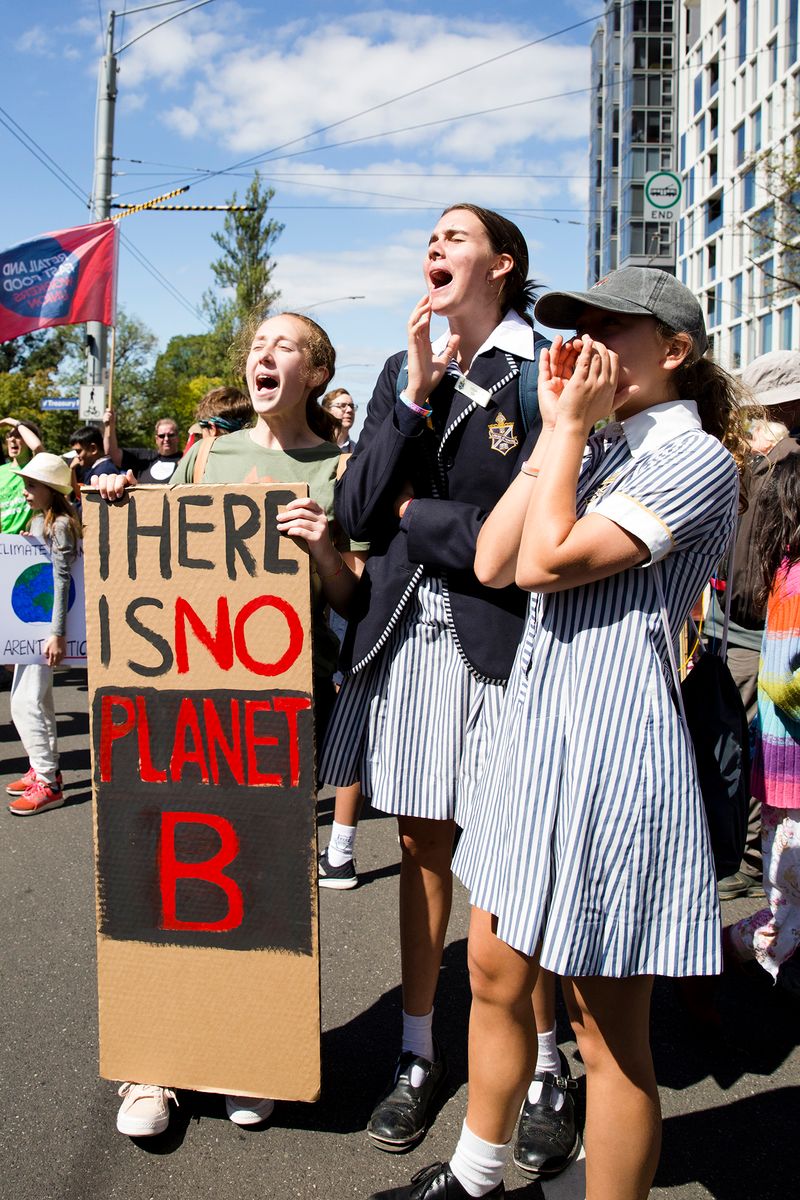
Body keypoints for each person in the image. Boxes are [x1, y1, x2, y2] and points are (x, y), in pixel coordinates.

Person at [367, 267, 747, 1200]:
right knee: (494, 972)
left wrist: (568, 429)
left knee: (605, 1028)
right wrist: (555, 441)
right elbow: (493, 557)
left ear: (676, 351)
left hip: (614, 746)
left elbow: (545, 564)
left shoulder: (695, 459)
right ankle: (476, 1174)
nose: (587, 349)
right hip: (532, 731)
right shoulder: (598, 445)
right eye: (577, 330)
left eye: (614, 331)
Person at [320, 205, 574, 1165]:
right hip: (408, 640)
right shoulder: (401, 369)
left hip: (506, 635)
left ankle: (548, 1059)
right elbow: (353, 511)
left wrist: (419, 515)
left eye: (457, 236)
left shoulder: (546, 369)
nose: (436, 247)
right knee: (425, 844)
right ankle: (420, 1053)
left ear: (501, 265)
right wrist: (418, 393)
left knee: (516, 862)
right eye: (430, 236)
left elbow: (523, 544)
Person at [93, 310, 368, 1138]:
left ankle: (250, 1055)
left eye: (284, 346)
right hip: (178, 708)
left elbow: (355, 596)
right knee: (162, 879)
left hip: (275, 713)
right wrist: (119, 495)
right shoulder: (208, 455)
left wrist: (325, 547)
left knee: (256, 885)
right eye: (258, 347)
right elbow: (151, 543)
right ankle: (155, 1066)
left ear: (316, 372)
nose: (264, 356)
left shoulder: (343, 467)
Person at [705, 349, 800, 901]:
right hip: (733, 622)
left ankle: (752, 859)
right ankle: (746, 854)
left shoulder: (785, 464)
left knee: (756, 747)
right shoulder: (754, 459)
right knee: (743, 743)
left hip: (760, 632)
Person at [724, 456, 800, 986]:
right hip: (791, 766)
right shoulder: (794, 583)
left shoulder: (786, 572)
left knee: (788, 888)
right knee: (786, 900)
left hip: (783, 763)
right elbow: (780, 681)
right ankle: (721, 956)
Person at [6, 453, 80, 816]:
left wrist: (56, 634)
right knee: (35, 701)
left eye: (31, 486)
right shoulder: (41, 521)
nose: (24, 493)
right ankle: (43, 768)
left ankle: (48, 783)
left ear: (51, 490)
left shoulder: (61, 524)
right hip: (33, 623)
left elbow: (61, 580)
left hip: (44, 627)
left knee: (26, 703)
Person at [103, 411, 183, 483]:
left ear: (177, 438)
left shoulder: (185, 460)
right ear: (156, 439)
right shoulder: (144, 457)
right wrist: (109, 426)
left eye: (171, 435)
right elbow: (111, 452)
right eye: (161, 436)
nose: (166, 439)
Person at [0, 418, 44, 532]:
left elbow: (37, 447)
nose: (13, 439)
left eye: (19, 436)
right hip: (4, 541)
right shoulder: (1, 471)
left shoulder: (36, 467)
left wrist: (14, 422)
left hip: (30, 541)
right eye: (9, 435)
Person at [183, 384, 253, 452]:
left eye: (202, 430)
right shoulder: (258, 455)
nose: (202, 437)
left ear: (212, 429)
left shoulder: (203, 460)